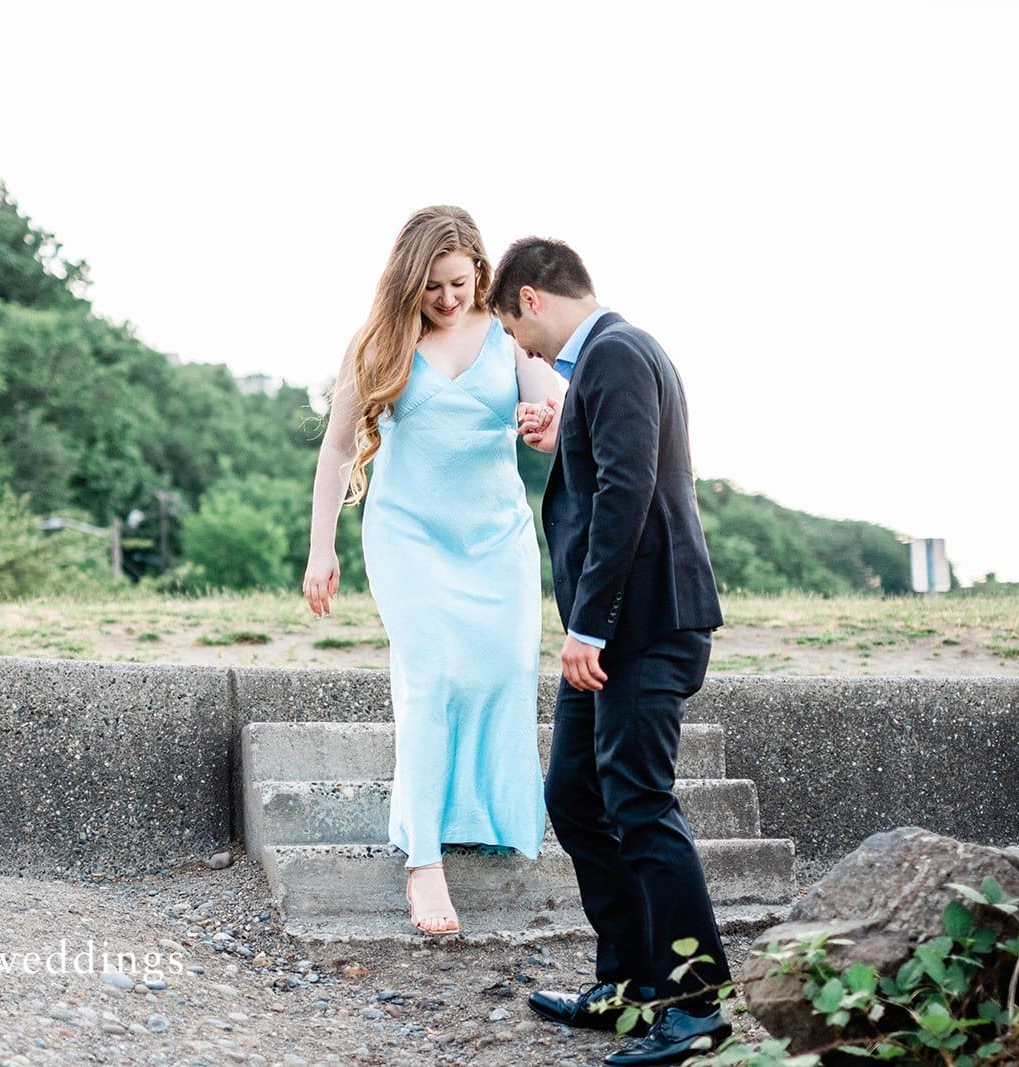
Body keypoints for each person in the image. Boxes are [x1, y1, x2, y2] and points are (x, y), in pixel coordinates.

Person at [494, 237, 733, 1066]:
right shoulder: (605, 363)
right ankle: (631, 980)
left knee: (638, 799)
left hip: (643, 625)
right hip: (616, 628)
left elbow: (629, 492)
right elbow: (608, 469)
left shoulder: (618, 351)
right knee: (575, 792)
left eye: (516, 331)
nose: (522, 351)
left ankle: (696, 1003)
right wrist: (562, 433)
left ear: (531, 298)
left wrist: (586, 624)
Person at [302, 206, 565, 936]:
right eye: (431, 288)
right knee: (432, 678)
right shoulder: (382, 340)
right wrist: (321, 548)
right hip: (408, 536)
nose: (447, 299)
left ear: (480, 270)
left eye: (458, 282)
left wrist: (548, 426)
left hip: (496, 541)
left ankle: (480, 814)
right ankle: (423, 862)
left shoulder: (508, 337)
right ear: (407, 285)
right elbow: (335, 448)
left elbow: (557, 413)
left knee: (506, 671)